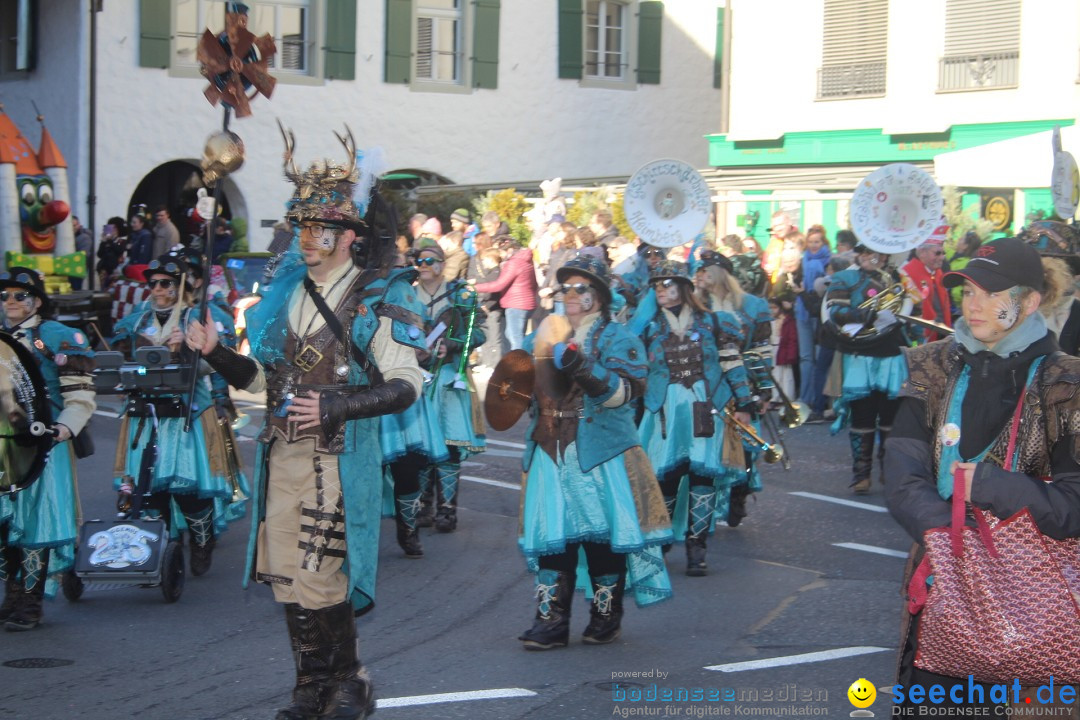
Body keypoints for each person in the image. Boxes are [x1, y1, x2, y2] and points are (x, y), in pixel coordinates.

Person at [185, 136, 424, 720]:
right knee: (289, 577)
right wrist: (216, 352)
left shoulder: (380, 294)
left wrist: (336, 407)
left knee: (321, 575)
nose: (307, 238)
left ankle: (348, 683)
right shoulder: (284, 293)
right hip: (282, 452)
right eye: (302, 226)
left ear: (348, 236)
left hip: (339, 456)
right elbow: (260, 378)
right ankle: (310, 687)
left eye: (320, 228)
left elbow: (406, 383)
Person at [884, 236, 1080, 711]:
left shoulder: (1066, 384)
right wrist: (944, 532)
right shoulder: (929, 368)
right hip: (943, 598)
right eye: (968, 291)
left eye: (992, 293)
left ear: (1030, 301)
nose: (974, 304)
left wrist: (990, 485)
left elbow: (1074, 505)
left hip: (1034, 609)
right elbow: (902, 475)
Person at [518, 254, 672, 650]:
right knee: (553, 535)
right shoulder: (542, 333)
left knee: (602, 537)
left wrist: (578, 363)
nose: (568, 294)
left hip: (602, 451)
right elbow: (515, 384)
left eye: (578, 287)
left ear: (598, 296)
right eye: (564, 287)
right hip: (551, 449)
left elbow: (622, 395)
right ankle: (550, 621)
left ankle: (606, 616)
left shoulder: (620, 339)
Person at [109, 254, 246, 578]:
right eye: (152, 283)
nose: (157, 289)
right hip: (146, 415)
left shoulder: (197, 319)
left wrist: (187, 350)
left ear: (180, 286)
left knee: (187, 489)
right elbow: (120, 363)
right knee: (150, 490)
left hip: (189, 415)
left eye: (165, 283)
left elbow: (216, 363)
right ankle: (160, 554)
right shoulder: (136, 321)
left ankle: (202, 541)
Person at [635, 261, 754, 576]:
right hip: (665, 411)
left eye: (667, 284)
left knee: (703, 477)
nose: (661, 290)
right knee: (666, 478)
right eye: (656, 285)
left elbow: (732, 362)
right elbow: (634, 371)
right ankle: (660, 540)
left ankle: (696, 546)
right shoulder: (646, 328)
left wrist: (745, 401)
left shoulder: (714, 322)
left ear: (683, 288)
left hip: (706, 405)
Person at [0, 268, 95, 630]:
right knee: (4, 522)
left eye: (20, 295)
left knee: (35, 523)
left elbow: (81, 392)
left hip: (42, 442)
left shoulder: (57, 336)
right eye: (5, 295)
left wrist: (62, 428)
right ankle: (12, 593)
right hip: (3, 445)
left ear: (37, 301)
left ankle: (31, 601)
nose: (10, 302)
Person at [410, 240, 487, 533]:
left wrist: (452, 346)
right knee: (419, 446)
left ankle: (447, 509)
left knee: (449, 444)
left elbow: (478, 333)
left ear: (443, 264)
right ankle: (423, 506)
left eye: (431, 260)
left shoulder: (461, 295)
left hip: (450, 379)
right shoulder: (405, 296)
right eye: (420, 260)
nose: (425, 265)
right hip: (416, 379)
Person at [823, 243, 911, 494]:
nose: (876, 258)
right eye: (870, 253)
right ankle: (861, 474)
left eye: (881, 254)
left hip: (892, 353)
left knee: (890, 418)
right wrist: (870, 316)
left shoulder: (897, 278)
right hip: (860, 354)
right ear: (860, 255)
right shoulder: (844, 278)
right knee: (863, 416)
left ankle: (888, 471)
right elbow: (836, 313)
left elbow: (908, 309)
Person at [695, 250, 773, 527]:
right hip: (708, 385)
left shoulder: (753, 305)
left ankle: (740, 493)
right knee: (708, 449)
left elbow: (762, 349)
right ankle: (705, 509)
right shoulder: (695, 306)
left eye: (705, 271)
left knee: (748, 444)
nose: (700, 276)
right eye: (699, 271)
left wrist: (764, 390)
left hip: (744, 383)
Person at [473, 236, 538, 352]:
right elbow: (534, 284)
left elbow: (499, 285)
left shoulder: (513, 263)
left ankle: (519, 365)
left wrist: (475, 287)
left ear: (510, 250)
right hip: (525, 303)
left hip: (516, 305)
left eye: (501, 252)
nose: (500, 256)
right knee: (513, 334)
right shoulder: (525, 261)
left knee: (515, 338)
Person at [796, 225, 830, 416]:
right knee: (806, 357)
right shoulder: (804, 260)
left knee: (819, 358)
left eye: (817, 241)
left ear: (823, 242)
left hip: (819, 311)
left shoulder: (829, 261)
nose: (814, 245)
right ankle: (805, 397)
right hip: (802, 311)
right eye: (811, 242)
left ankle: (820, 398)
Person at [900, 225, 952, 343]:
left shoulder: (938, 272)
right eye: (937, 253)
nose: (942, 257)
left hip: (942, 335)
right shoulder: (907, 274)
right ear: (922, 252)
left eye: (943, 253)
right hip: (922, 339)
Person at [71, 216, 94, 290]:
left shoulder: (84, 237)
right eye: (70, 226)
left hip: (78, 268)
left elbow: (83, 255)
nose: (72, 228)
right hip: (71, 268)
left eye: (74, 225)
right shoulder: (73, 236)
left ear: (78, 225)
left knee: (75, 289)